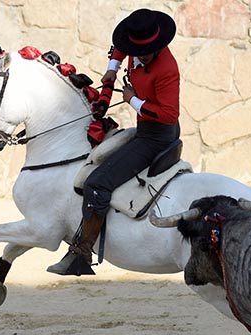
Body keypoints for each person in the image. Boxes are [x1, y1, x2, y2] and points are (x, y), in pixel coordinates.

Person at [49, 8, 181, 276]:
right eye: (137, 51)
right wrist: (112, 69)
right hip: (143, 127)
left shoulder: (167, 69)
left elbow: (170, 113)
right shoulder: (135, 48)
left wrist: (132, 99)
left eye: (146, 52)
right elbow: (120, 49)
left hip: (156, 136)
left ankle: (81, 253)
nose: (140, 56)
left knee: (98, 182)